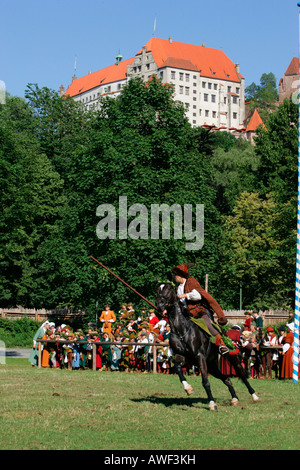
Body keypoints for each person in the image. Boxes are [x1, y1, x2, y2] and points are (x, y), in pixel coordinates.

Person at [171, 263, 229, 354]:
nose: (174, 276)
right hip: (186, 314)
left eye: (176, 274)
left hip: (198, 312)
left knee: (208, 325)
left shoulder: (191, 281)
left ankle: (222, 344)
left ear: (181, 275)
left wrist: (186, 295)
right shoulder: (178, 288)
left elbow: (198, 295)